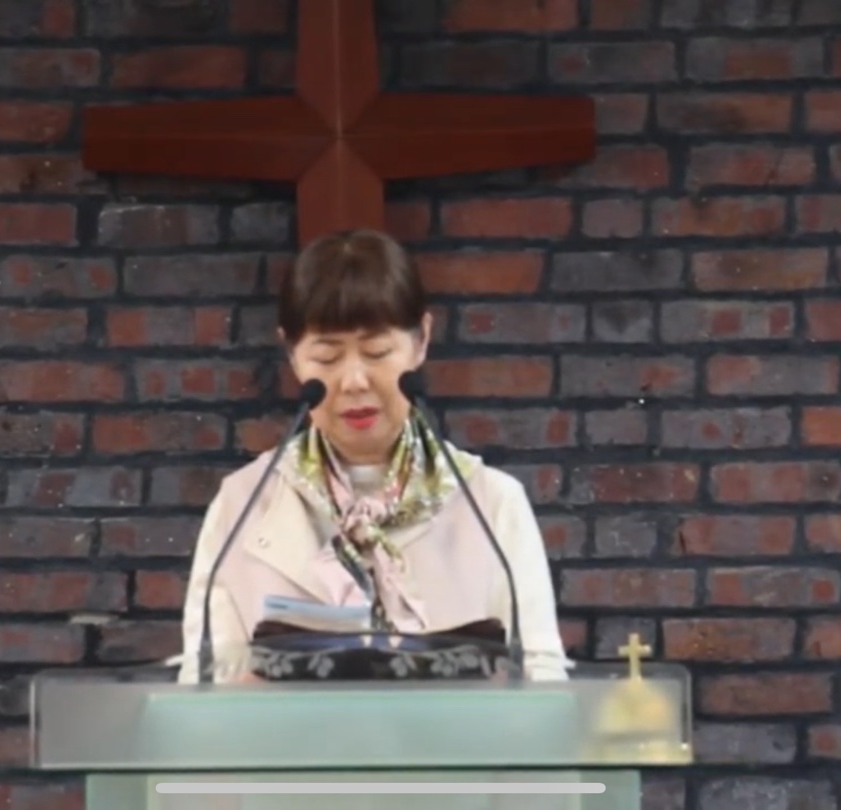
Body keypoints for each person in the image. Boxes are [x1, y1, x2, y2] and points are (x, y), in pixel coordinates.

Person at [176, 228, 569, 684]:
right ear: (292, 355)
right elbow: (201, 688)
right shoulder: (242, 504)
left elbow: (543, 683)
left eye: (377, 352)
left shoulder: (492, 503)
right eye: (326, 358)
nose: (354, 381)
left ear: (421, 339)